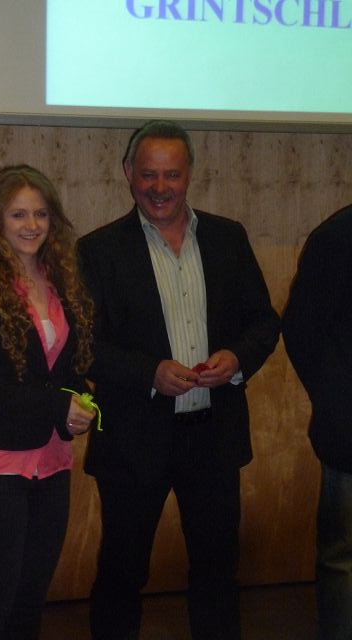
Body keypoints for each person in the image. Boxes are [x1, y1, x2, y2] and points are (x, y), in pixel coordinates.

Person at [78, 120, 280, 640]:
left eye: (171, 175)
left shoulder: (228, 238)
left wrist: (237, 357)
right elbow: (85, 346)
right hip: (133, 439)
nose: (160, 187)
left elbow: (263, 322)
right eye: (149, 174)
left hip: (212, 437)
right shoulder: (98, 250)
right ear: (129, 173)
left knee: (218, 573)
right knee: (122, 574)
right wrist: (149, 372)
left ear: (190, 174)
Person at [0, 164, 96, 640]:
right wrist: (54, 406)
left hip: (52, 462)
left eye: (41, 214)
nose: (32, 225)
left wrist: (83, 401)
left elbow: (68, 372)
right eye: (18, 215)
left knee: (31, 601)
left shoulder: (63, 283)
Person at [282, 204, 352, 640]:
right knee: (344, 558)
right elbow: (302, 330)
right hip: (349, 432)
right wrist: (336, 402)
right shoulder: (338, 236)